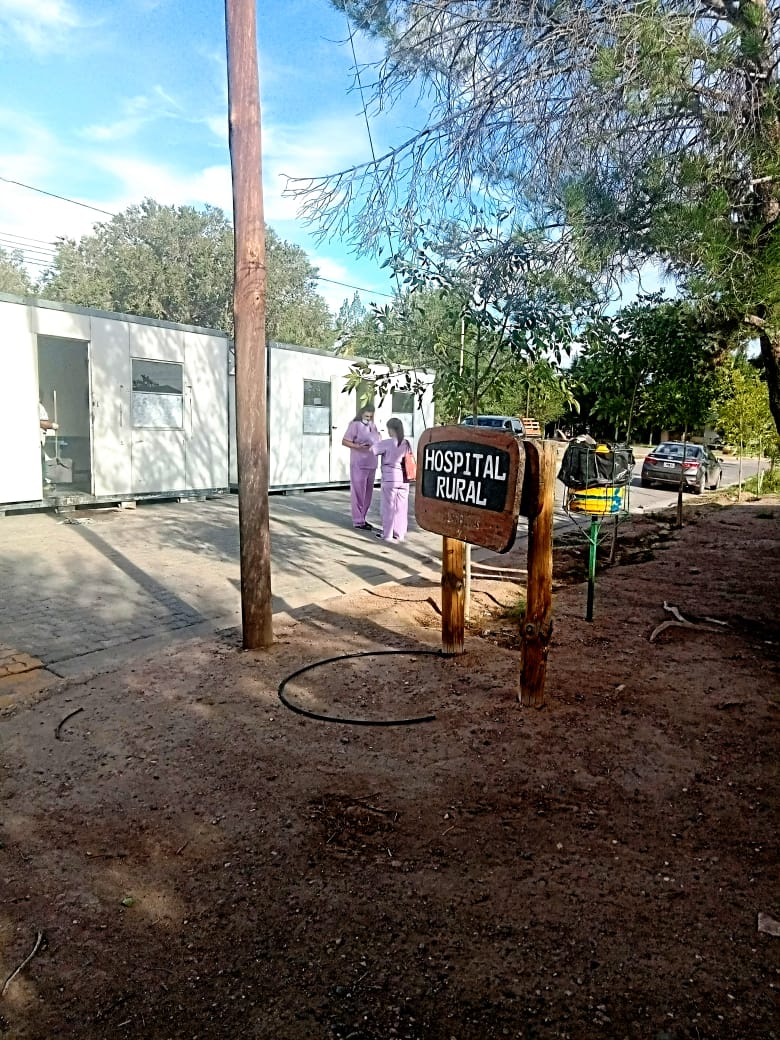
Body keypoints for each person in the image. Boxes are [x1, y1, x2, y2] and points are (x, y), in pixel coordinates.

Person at [371, 417, 412, 543]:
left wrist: (377, 439)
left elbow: (372, 450)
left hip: (390, 480)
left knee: (388, 507)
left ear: (391, 429)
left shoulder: (388, 443)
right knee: (401, 508)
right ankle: (399, 534)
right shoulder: (406, 443)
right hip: (404, 480)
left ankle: (387, 534)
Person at [341, 406, 380, 530]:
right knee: (358, 492)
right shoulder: (355, 425)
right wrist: (358, 446)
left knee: (368, 493)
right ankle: (358, 520)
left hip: (372, 462)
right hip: (359, 463)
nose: (368, 419)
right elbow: (345, 441)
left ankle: (363, 518)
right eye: (366, 416)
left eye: (370, 416)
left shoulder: (373, 426)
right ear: (361, 414)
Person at [39, 401, 58, 485]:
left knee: (42, 459)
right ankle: (43, 482)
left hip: (40, 439)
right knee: (41, 459)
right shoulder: (37, 407)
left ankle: (43, 481)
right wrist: (52, 425)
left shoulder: (39, 406)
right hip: (36, 440)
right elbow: (41, 422)